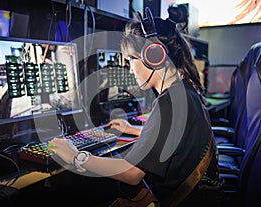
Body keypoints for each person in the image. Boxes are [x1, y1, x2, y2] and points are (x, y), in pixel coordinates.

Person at [49, 6, 223, 207]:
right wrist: (133, 130)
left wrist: (75, 156)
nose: (130, 69)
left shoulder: (170, 103)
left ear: (154, 56)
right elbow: (172, 136)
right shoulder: (184, 91)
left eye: (131, 60)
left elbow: (132, 173)